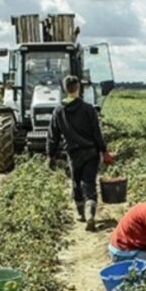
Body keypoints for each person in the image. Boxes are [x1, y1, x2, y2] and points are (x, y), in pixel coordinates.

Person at [48, 74, 111, 231]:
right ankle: (90, 213)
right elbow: (97, 133)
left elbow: (53, 136)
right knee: (89, 182)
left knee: (76, 182)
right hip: (91, 152)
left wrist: (51, 155)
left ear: (65, 89)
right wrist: (104, 151)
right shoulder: (88, 109)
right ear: (78, 88)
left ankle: (81, 213)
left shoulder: (58, 111)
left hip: (73, 153)